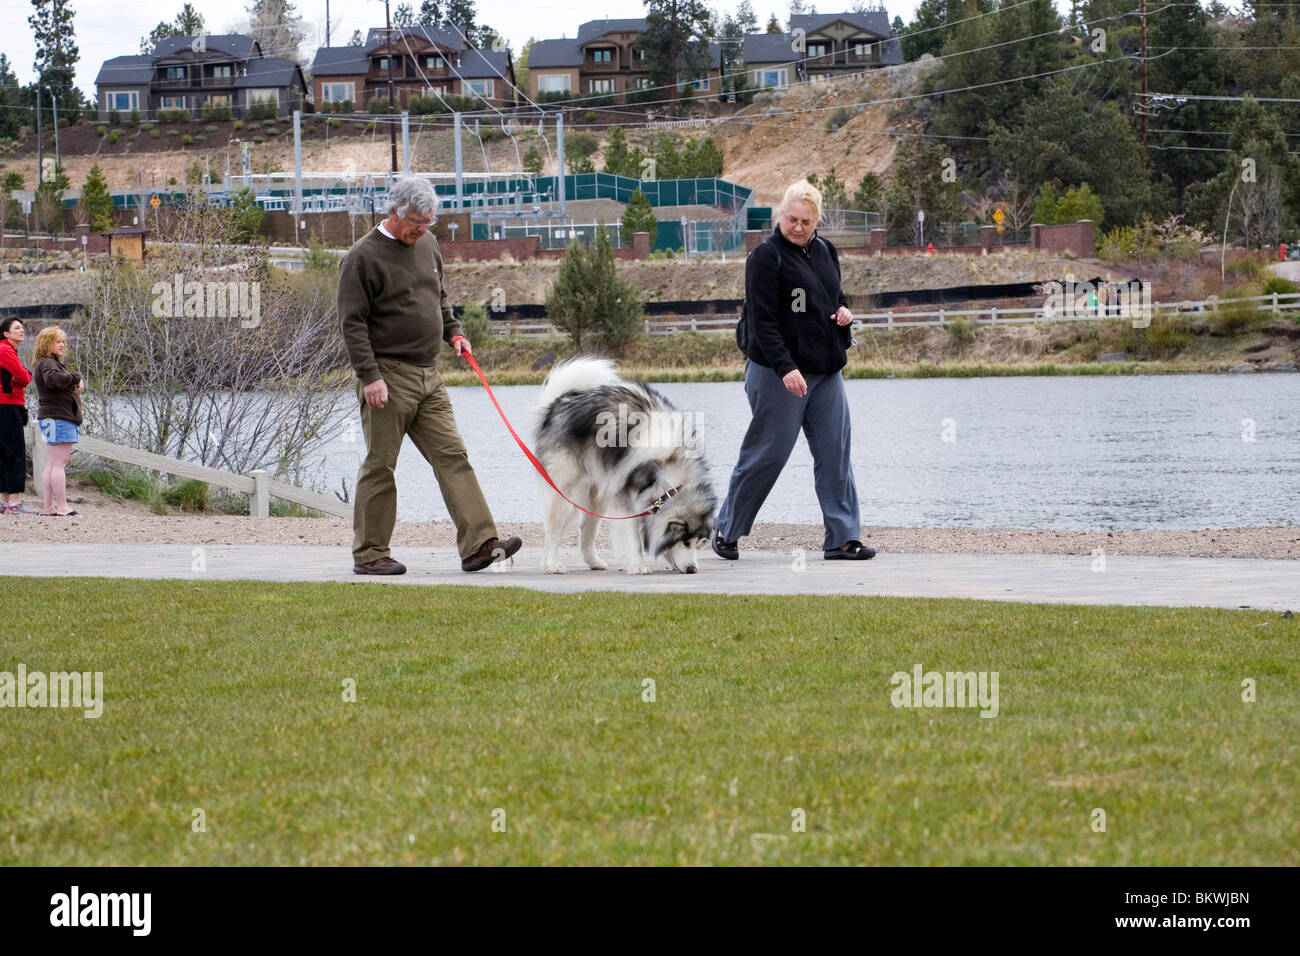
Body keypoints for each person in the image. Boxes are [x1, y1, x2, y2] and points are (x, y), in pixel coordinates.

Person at [338, 176, 521, 575]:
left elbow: (437, 295)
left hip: (429, 375)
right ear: (395, 211)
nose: (423, 229)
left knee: (453, 456)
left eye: (429, 222)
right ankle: (370, 554)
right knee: (380, 464)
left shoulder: (428, 244)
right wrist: (370, 376)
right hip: (387, 376)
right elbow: (352, 324)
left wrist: (452, 331)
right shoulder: (361, 258)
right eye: (417, 222)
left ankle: (479, 545)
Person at [714, 180, 875, 562]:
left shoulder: (826, 251)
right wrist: (786, 368)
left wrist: (844, 314)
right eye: (791, 219)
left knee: (835, 454)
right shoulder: (765, 257)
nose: (798, 227)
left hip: (825, 371)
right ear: (780, 215)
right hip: (776, 373)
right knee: (768, 454)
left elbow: (833, 297)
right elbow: (764, 321)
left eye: (806, 221)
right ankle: (727, 529)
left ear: (817, 222)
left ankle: (842, 538)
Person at [32, 326, 83, 516]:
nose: (62, 345)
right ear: (47, 344)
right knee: (59, 463)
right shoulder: (47, 364)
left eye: (63, 341)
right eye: (57, 342)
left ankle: (48, 507)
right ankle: (62, 506)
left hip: (52, 418)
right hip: (59, 418)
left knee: (53, 463)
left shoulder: (46, 363)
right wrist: (76, 377)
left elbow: (58, 380)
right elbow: (54, 379)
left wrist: (74, 382)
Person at [0, 318, 34, 515]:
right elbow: (23, 377)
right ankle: (14, 503)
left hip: (5, 406)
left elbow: (19, 376)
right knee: (15, 454)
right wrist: (25, 376)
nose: (22, 330)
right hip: (8, 406)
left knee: (4, 454)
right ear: (6, 333)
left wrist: (20, 376)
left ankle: (5, 502)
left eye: (22, 327)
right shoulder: (5, 350)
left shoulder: (7, 350)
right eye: (17, 328)